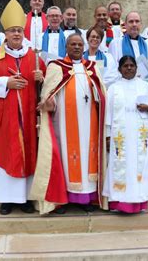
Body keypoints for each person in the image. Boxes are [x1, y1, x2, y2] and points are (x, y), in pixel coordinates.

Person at [0, 0, 46, 215]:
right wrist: (5, 83)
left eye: (19, 30)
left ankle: (25, 198)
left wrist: (41, 77)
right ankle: (6, 199)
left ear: (24, 33)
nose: (16, 34)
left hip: (27, 118)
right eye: (12, 31)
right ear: (5, 34)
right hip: (4, 118)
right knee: (5, 154)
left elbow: (46, 88)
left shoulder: (34, 57)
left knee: (28, 154)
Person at [30, 33, 107, 215]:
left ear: (84, 46)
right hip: (64, 125)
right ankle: (62, 199)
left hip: (90, 124)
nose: (77, 47)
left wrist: (99, 97)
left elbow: (101, 94)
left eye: (80, 44)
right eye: (73, 44)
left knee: (89, 158)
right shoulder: (57, 67)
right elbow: (50, 95)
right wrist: (49, 103)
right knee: (65, 158)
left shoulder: (93, 68)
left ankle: (87, 198)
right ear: (66, 47)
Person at [103, 56, 148, 213]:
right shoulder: (113, 89)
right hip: (119, 138)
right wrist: (108, 136)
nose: (129, 68)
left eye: (132, 65)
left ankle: (138, 202)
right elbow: (107, 115)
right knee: (120, 167)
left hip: (139, 136)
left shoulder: (145, 86)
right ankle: (118, 202)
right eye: (125, 66)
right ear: (119, 69)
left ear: (136, 68)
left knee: (139, 168)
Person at [108, 11, 148, 81]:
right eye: (131, 22)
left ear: (141, 24)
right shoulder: (116, 43)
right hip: (123, 84)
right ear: (125, 25)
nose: (134, 24)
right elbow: (112, 67)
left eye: (137, 21)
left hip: (146, 85)